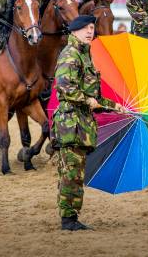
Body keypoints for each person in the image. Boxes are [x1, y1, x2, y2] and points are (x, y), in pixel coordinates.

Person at [51, 15, 126, 231]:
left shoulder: (86, 56)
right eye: (84, 28)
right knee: (71, 173)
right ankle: (68, 220)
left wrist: (114, 106)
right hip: (70, 123)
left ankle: (72, 217)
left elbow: (95, 95)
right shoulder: (70, 54)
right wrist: (87, 100)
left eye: (92, 28)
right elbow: (64, 87)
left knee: (76, 173)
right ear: (74, 31)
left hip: (82, 123)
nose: (89, 31)